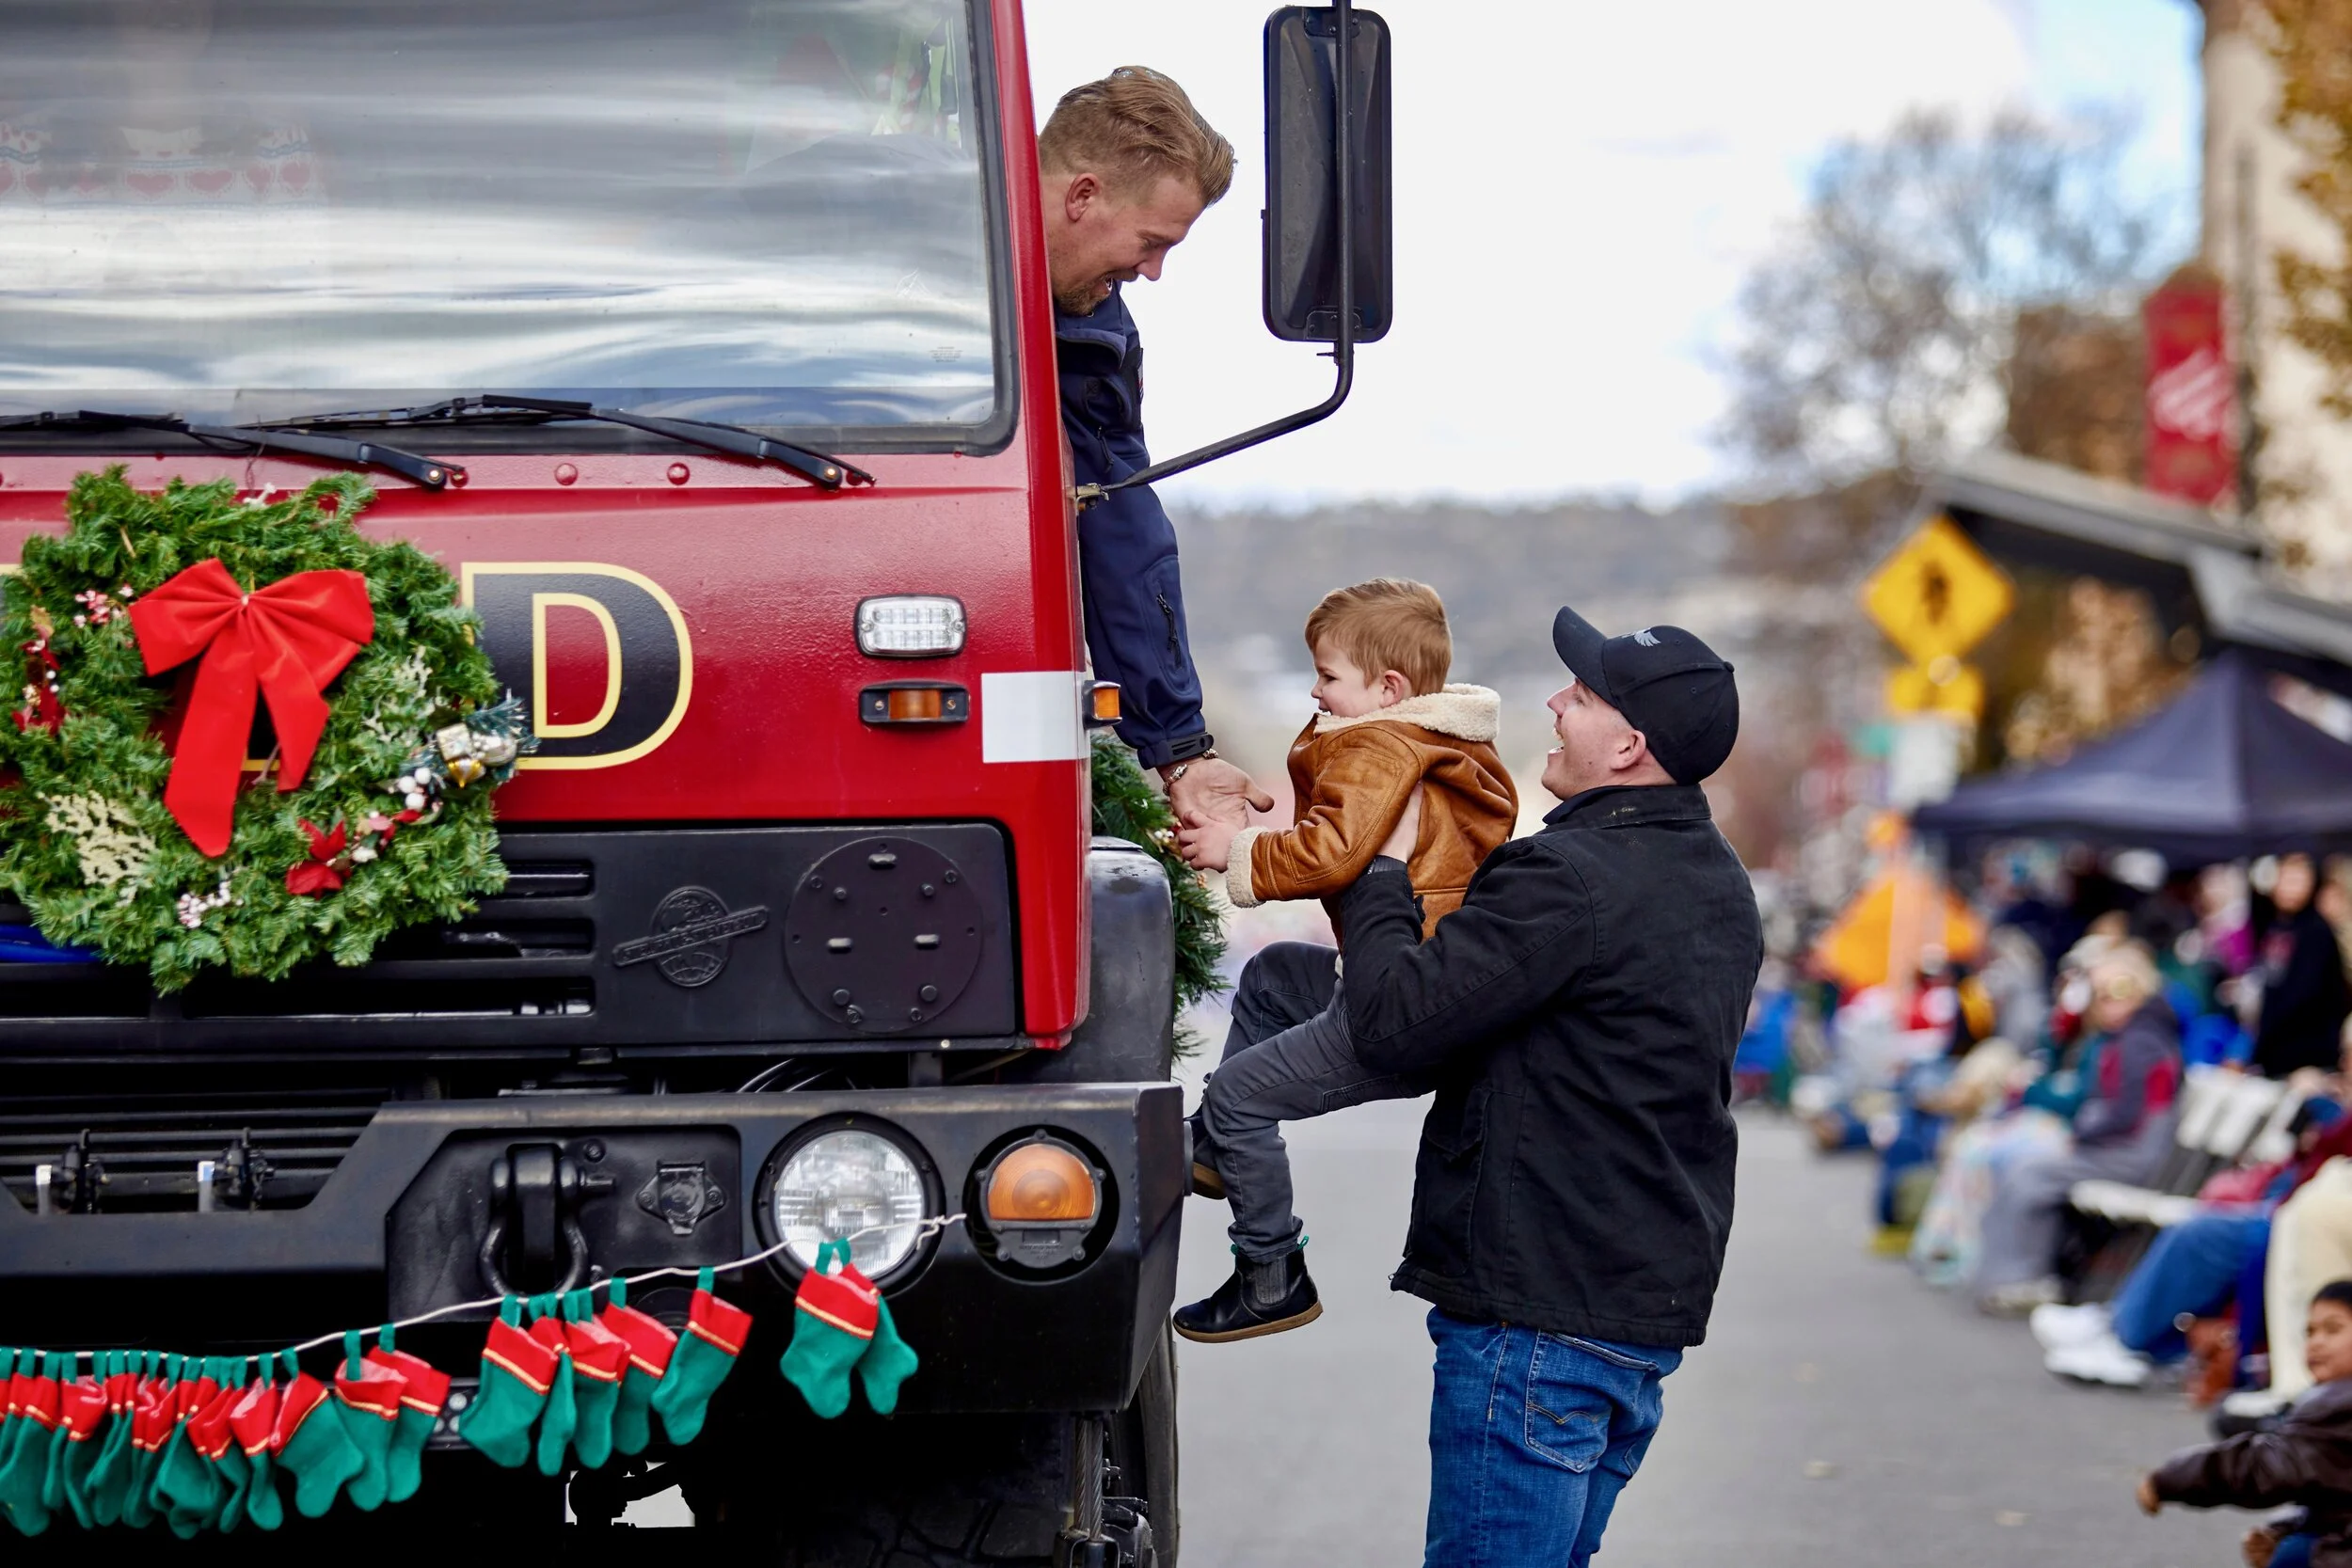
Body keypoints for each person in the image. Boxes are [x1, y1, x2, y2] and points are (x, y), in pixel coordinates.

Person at [1334, 606, 1761, 1568]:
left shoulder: (1569, 877)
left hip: (1539, 1315)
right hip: (1633, 1311)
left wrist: (1381, 867)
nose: (1555, 701)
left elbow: (1396, 1026)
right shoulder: (1717, 879)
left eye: (1582, 694)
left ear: (1627, 744)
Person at [1167, 579, 1517, 1341]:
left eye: (1328, 676)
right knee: (1269, 977)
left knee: (1238, 1094)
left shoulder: (1381, 743)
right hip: (1407, 974)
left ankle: (1271, 1273)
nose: (1315, 690)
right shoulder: (1441, 738)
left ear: (1388, 688)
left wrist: (1239, 852)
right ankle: (1215, 1151)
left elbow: (1333, 852)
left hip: (1395, 1004)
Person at [1040, 68, 1270, 830]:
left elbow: (1117, 520)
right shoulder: (873, 249)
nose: (1152, 271)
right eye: (1151, 242)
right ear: (1083, 196)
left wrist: (1179, 747)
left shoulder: (1094, 328)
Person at [1971, 942, 2184, 1314]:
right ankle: (2014, 1275)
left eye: (2119, 990)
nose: (2107, 1001)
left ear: (2141, 988)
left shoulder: (2142, 1041)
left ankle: (2024, 1278)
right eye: (2100, 994)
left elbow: (2125, 1116)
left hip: (2133, 1156)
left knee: (2031, 1173)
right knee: (2027, 1168)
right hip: (2121, 1148)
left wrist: (2080, 1135)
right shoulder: (2129, 1036)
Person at [2139, 1279, 2352, 1568]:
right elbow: (2338, 1496)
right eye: (2310, 1332)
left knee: (2294, 1556)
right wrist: (2283, 1528)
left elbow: (2263, 1467)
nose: (2316, 1342)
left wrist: (2168, 1479)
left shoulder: (2336, 1404)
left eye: (2333, 1329)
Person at [2255, 855, 2352, 1080]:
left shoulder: (2316, 931)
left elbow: (2303, 996)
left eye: (2298, 879)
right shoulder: (2276, 927)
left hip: (2308, 1058)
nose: (2290, 888)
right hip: (2275, 1055)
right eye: (2286, 878)